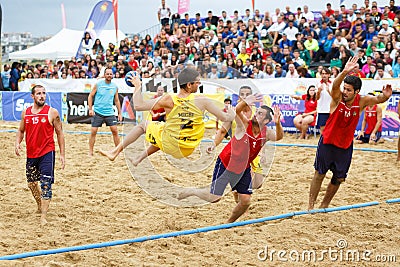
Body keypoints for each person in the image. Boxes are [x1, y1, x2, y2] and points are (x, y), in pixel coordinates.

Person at [178, 95, 283, 223]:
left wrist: (278, 123)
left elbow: (278, 137)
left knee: (246, 200)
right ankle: (192, 191)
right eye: (257, 112)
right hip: (226, 163)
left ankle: (229, 223)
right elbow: (237, 111)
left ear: (266, 121)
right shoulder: (244, 124)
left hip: (243, 167)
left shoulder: (267, 132)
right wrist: (245, 102)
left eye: (260, 114)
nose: (256, 115)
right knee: (215, 198)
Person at [99, 67, 236, 164]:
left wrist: (138, 85)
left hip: (170, 143)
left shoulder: (169, 99)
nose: (199, 84)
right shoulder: (202, 100)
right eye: (197, 82)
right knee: (164, 131)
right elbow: (226, 118)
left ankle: (115, 151)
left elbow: (139, 106)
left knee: (145, 126)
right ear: (189, 85)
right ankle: (138, 159)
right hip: (188, 149)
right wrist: (232, 112)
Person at [309, 56, 392, 210]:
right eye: (345, 88)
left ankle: (324, 205)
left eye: (349, 90)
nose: (345, 92)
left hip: (345, 145)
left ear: (357, 91)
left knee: (339, 178)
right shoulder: (337, 97)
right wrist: (344, 72)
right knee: (319, 174)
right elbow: (335, 86)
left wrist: (385, 96)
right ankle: (310, 206)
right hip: (328, 141)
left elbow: (378, 99)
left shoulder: (361, 101)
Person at [15, 85, 65, 225]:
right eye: (38, 93)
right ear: (32, 96)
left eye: (43, 93)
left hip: (47, 152)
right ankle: (39, 204)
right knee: (31, 183)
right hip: (31, 154)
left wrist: (62, 154)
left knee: (45, 184)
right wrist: (17, 143)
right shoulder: (26, 113)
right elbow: (20, 130)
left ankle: (43, 216)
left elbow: (60, 133)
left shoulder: (52, 112)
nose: (42, 96)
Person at [208, 86, 264, 190]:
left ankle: (240, 190)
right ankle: (240, 191)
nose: (244, 97)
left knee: (258, 183)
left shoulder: (258, 113)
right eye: (242, 94)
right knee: (242, 191)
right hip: (237, 152)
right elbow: (222, 131)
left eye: (247, 95)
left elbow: (262, 136)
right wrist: (213, 144)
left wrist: (262, 152)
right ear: (238, 97)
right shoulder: (233, 112)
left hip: (253, 151)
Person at [88, 67, 122, 156]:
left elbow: (117, 100)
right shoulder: (98, 84)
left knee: (115, 131)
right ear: (104, 75)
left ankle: (117, 151)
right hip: (98, 111)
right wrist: (90, 109)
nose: (109, 75)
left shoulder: (115, 86)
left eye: (111, 74)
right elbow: (90, 96)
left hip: (109, 112)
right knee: (93, 131)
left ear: (113, 75)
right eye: (107, 74)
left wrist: (120, 113)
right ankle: (90, 152)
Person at [316, 67, 332, 134]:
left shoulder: (333, 84)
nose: (324, 75)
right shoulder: (318, 84)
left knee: (331, 128)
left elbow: (336, 98)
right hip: (322, 109)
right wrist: (319, 91)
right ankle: (322, 143)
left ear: (329, 75)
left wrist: (329, 91)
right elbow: (317, 98)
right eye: (322, 74)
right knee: (322, 128)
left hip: (331, 109)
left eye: (326, 74)